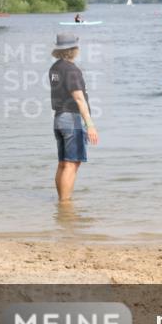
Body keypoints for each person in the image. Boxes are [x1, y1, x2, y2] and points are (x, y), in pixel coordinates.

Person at [49, 33, 98, 201]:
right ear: (72, 49)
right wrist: (90, 124)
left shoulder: (55, 67)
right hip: (72, 119)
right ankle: (65, 205)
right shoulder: (71, 69)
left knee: (63, 163)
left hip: (59, 119)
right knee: (72, 164)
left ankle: (61, 203)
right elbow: (78, 98)